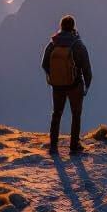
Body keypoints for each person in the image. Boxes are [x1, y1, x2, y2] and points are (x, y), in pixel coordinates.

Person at [41, 14, 93, 156]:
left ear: (61, 26)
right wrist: (87, 85)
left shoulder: (53, 43)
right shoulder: (78, 44)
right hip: (75, 85)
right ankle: (74, 146)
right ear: (73, 27)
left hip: (57, 86)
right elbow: (86, 68)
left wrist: (54, 77)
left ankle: (53, 146)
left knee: (56, 113)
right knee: (76, 115)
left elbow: (44, 64)